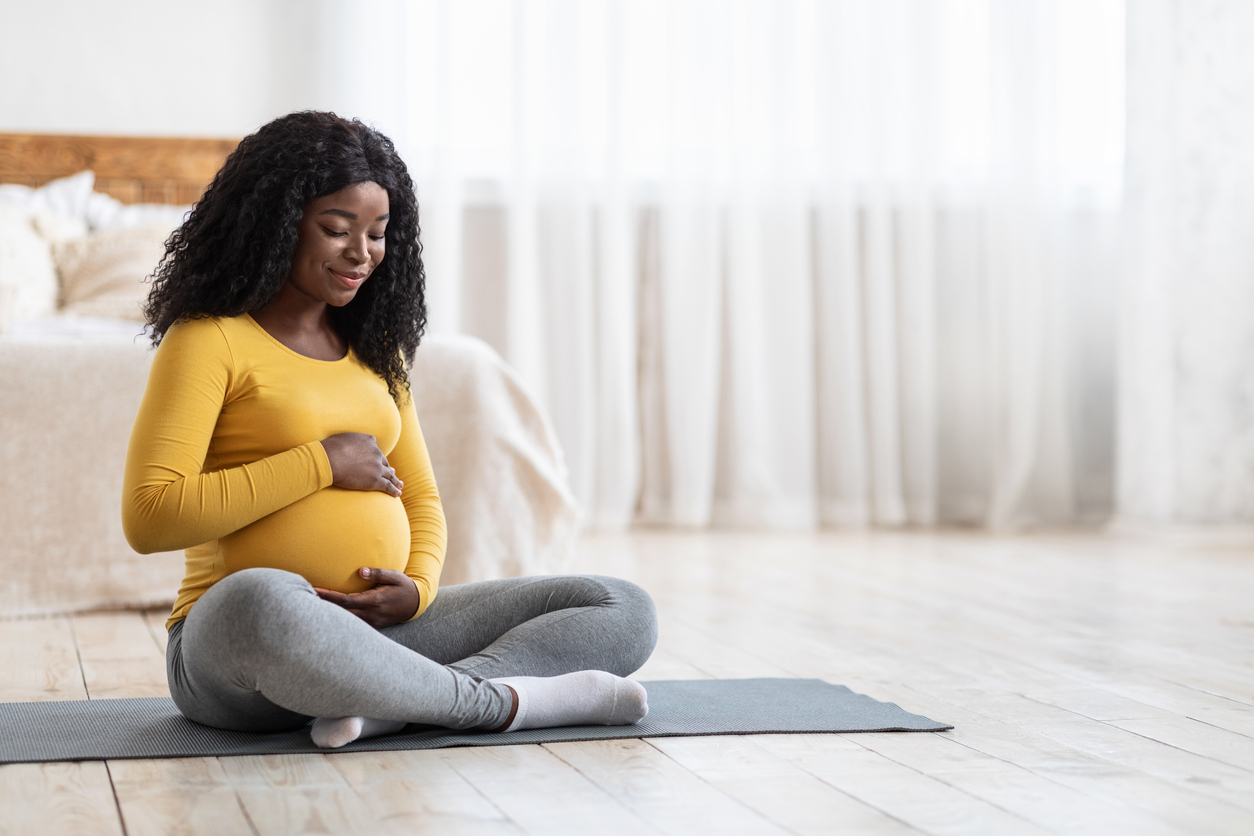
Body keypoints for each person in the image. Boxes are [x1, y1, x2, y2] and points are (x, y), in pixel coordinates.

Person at [122, 111, 657, 749]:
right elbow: (150, 516)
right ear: (276, 222)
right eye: (337, 230)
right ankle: (489, 703)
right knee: (261, 598)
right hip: (245, 652)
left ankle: (391, 705)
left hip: (385, 638)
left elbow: (422, 499)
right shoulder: (208, 340)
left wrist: (421, 587)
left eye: (378, 233)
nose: (362, 254)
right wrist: (321, 463)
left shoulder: (377, 349)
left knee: (619, 605)